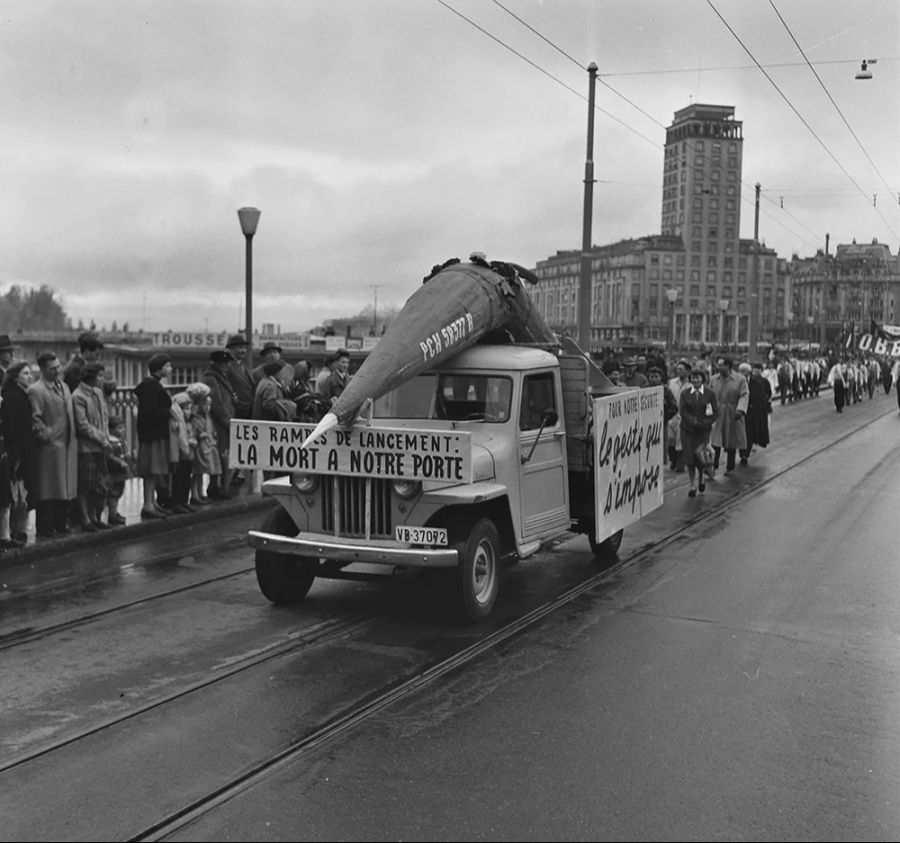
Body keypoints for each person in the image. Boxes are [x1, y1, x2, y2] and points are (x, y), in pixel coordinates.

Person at [28, 352, 78, 537]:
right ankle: (46, 526)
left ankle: (61, 523)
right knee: (48, 487)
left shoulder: (64, 386)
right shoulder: (36, 390)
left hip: (66, 444)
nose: (57, 371)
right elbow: (35, 418)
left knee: (63, 487)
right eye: (52, 368)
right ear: (42, 370)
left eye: (58, 367)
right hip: (50, 447)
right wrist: (46, 435)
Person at [0, 361, 37, 543]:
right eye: (25, 374)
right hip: (18, 451)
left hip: (21, 449)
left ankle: (18, 529)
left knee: (19, 491)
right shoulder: (14, 397)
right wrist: (16, 456)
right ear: (15, 376)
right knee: (16, 492)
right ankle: (16, 530)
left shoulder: (18, 394)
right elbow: (13, 429)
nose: (29, 377)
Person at [134, 353, 174, 520]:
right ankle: (148, 504)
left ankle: (151, 503)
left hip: (153, 434)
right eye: (167, 366)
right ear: (159, 369)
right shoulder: (151, 386)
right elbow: (150, 412)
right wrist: (168, 412)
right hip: (153, 435)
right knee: (151, 471)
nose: (170, 369)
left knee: (154, 471)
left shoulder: (152, 384)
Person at [679, 367, 718, 498]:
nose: (695, 380)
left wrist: (704, 424)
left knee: (701, 457)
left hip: (703, 432)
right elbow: (683, 411)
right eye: (693, 377)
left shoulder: (710, 393)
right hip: (688, 431)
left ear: (702, 379)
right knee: (689, 459)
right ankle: (692, 485)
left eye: (698, 377)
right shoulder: (685, 394)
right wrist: (693, 422)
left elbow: (715, 413)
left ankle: (701, 478)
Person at [202, 350, 235, 500]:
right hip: (219, 423)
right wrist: (228, 421)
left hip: (223, 422)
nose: (226, 365)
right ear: (216, 363)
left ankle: (220, 487)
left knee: (223, 455)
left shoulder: (220, 377)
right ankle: (217, 487)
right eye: (224, 363)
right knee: (220, 455)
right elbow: (217, 403)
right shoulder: (211, 378)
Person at [709, 355, 749, 474]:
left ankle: (730, 467)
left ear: (728, 366)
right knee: (715, 441)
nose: (718, 367)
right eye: (717, 364)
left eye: (721, 365)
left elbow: (744, 395)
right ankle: (713, 466)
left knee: (732, 441)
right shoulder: (713, 379)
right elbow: (709, 394)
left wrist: (740, 409)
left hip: (733, 412)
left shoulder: (740, 379)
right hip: (717, 412)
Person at [186, 382, 219, 505]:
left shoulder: (206, 417)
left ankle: (200, 493)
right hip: (199, 448)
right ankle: (195, 495)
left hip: (206, 446)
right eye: (205, 405)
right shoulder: (195, 419)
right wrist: (200, 435)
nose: (207, 408)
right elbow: (194, 432)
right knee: (196, 472)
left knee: (201, 472)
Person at [738, 361, 772, 467]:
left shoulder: (757, 383)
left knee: (749, 434)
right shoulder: (736, 382)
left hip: (751, 413)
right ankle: (741, 452)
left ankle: (745, 455)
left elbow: (762, 397)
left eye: (744, 371)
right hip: (738, 413)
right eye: (741, 371)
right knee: (739, 434)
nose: (742, 373)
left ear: (749, 372)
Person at [167, 392, 196, 514]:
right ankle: (177, 502)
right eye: (186, 409)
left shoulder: (188, 422)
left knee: (186, 479)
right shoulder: (177, 422)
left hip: (188, 454)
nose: (189, 411)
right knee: (179, 479)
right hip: (181, 454)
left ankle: (184, 501)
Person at [647, 366, 677, 467]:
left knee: (661, 445)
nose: (654, 379)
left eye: (656, 376)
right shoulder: (644, 389)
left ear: (661, 377)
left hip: (661, 423)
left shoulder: (666, 391)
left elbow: (674, 407)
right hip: (647, 423)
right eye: (651, 376)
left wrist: (663, 418)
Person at [666, 359, 691, 472]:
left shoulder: (691, 385)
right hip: (672, 414)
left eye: (681, 369)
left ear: (687, 371)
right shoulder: (672, 382)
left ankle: (681, 464)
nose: (679, 371)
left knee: (681, 441)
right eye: (678, 369)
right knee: (671, 440)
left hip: (684, 416)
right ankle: (673, 461)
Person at [105, 415, 129, 526]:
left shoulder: (121, 441)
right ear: (111, 429)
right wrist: (119, 462)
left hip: (121, 473)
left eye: (123, 427)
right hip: (114, 472)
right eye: (119, 427)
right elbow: (110, 457)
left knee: (119, 492)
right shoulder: (110, 443)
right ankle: (112, 514)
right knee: (113, 493)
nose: (123, 430)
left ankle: (115, 512)